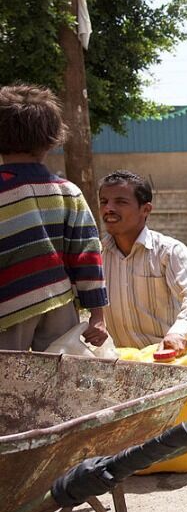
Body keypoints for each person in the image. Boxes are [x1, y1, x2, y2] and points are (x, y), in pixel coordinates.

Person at [0, 84, 109, 351]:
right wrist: (98, 316)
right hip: (59, 305)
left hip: (7, 307)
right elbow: (87, 256)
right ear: (51, 139)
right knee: (58, 384)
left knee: (9, 385)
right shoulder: (68, 193)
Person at [98, 170, 187, 353]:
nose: (108, 208)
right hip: (129, 364)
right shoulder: (97, 256)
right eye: (104, 201)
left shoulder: (169, 251)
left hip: (170, 359)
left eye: (120, 202)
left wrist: (179, 333)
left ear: (146, 209)